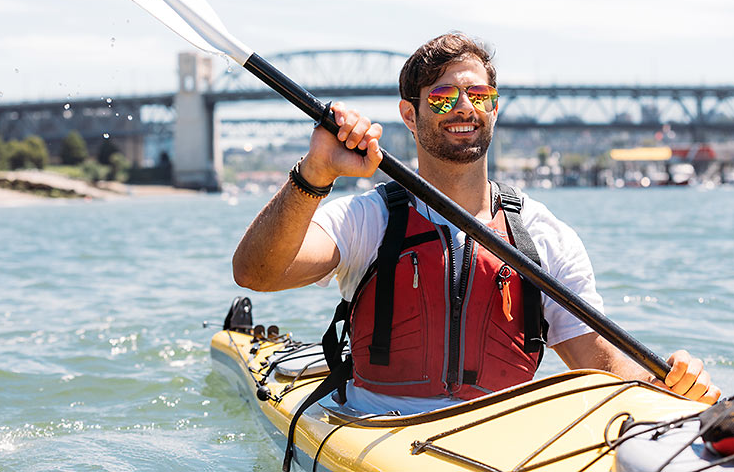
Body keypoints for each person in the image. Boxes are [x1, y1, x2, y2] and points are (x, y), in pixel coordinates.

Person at [232, 32, 720, 413]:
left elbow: (601, 364)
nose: (464, 107)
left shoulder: (543, 236)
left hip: (491, 435)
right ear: (410, 113)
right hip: (373, 425)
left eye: (478, 94)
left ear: (495, 105)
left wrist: (667, 383)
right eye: (443, 98)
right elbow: (257, 274)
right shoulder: (369, 217)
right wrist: (315, 174)